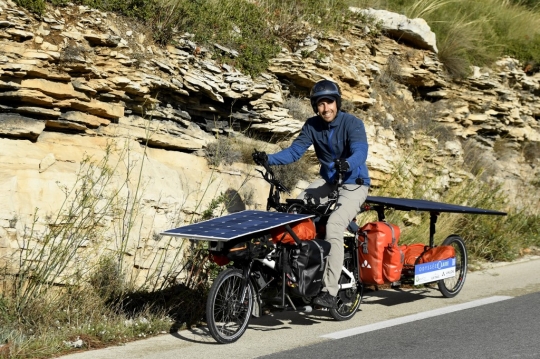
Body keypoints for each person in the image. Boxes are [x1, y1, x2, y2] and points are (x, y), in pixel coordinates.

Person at [254, 79, 370, 309]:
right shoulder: (312, 126)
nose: (325, 109)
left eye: (329, 103)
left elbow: (360, 151)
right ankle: (296, 274)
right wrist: (269, 159)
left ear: (337, 102)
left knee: (335, 225)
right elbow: (295, 151)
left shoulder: (352, 123)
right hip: (328, 182)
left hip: (354, 182)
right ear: (315, 106)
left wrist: (346, 164)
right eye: (320, 104)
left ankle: (329, 289)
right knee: (295, 212)